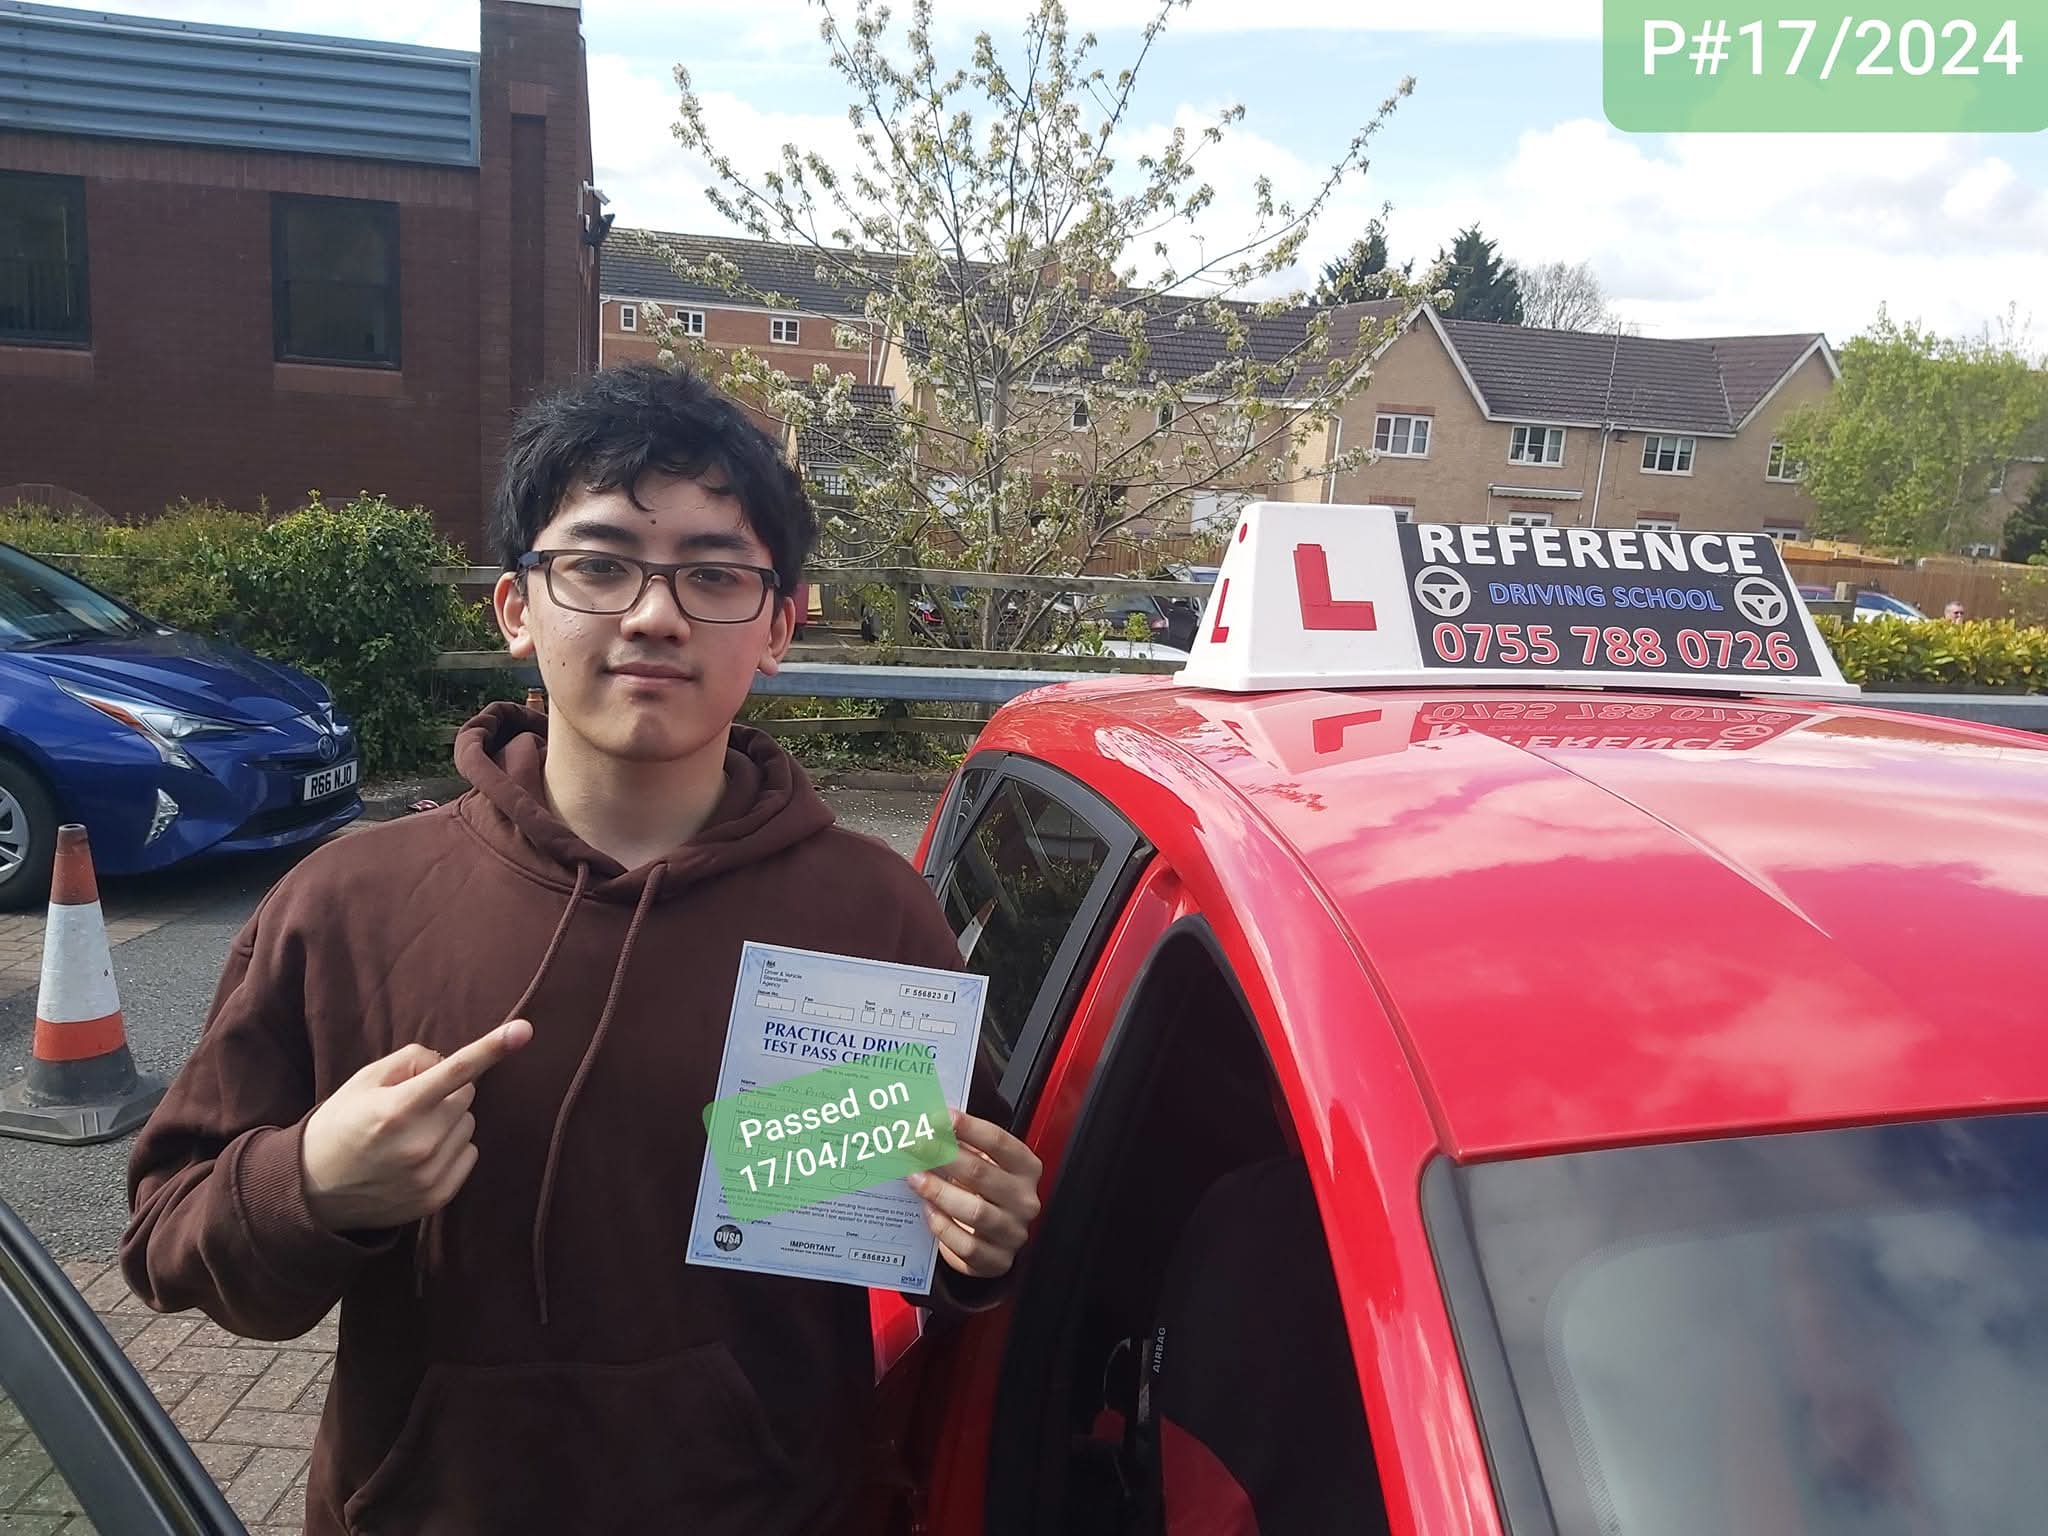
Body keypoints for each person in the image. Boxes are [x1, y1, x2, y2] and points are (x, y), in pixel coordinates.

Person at [121, 362, 1044, 1535]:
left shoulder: (871, 914)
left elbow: (943, 1221)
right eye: (599, 566)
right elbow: (166, 1237)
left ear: (778, 625)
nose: (654, 615)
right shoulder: (346, 905)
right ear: (517, 609)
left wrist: (980, 1242)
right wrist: (310, 1183)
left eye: (714, 574)